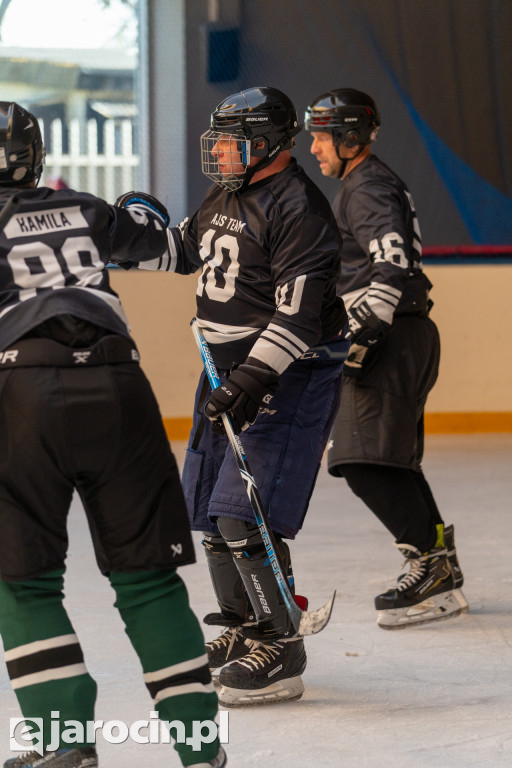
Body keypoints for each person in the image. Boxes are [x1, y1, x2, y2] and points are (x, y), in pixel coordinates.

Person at [0, 102, 226, 768]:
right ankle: (201, 750)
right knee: (149, 579)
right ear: (35, 157)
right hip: (120, 387)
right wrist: (143, 212)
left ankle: (64, 744)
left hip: (23, 392)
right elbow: (175, 251)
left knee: (23, 582)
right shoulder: (83, 209)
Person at [115, 86, 348, 706]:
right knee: (211, 516)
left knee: (242, 512)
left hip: (284, 373)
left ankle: (282, 644)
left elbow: (297, 321)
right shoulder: (230, 191)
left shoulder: (300, 209)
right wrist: (126, 239)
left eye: (230, 141)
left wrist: (250, 380)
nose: (218, 152)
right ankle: (247, 627)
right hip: (223, 369)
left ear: (269, 145)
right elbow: (184, 251)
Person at [304, 88, 468, 630]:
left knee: (357, 459)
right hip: (407, 333)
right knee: (390, 458)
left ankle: (429, 564)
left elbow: (390, 262)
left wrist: (365, 331)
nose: (314, 147)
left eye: (322, 136)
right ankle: (437, 562)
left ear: (351, 138)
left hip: (391, 337)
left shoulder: (366, 186)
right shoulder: (368, 182)